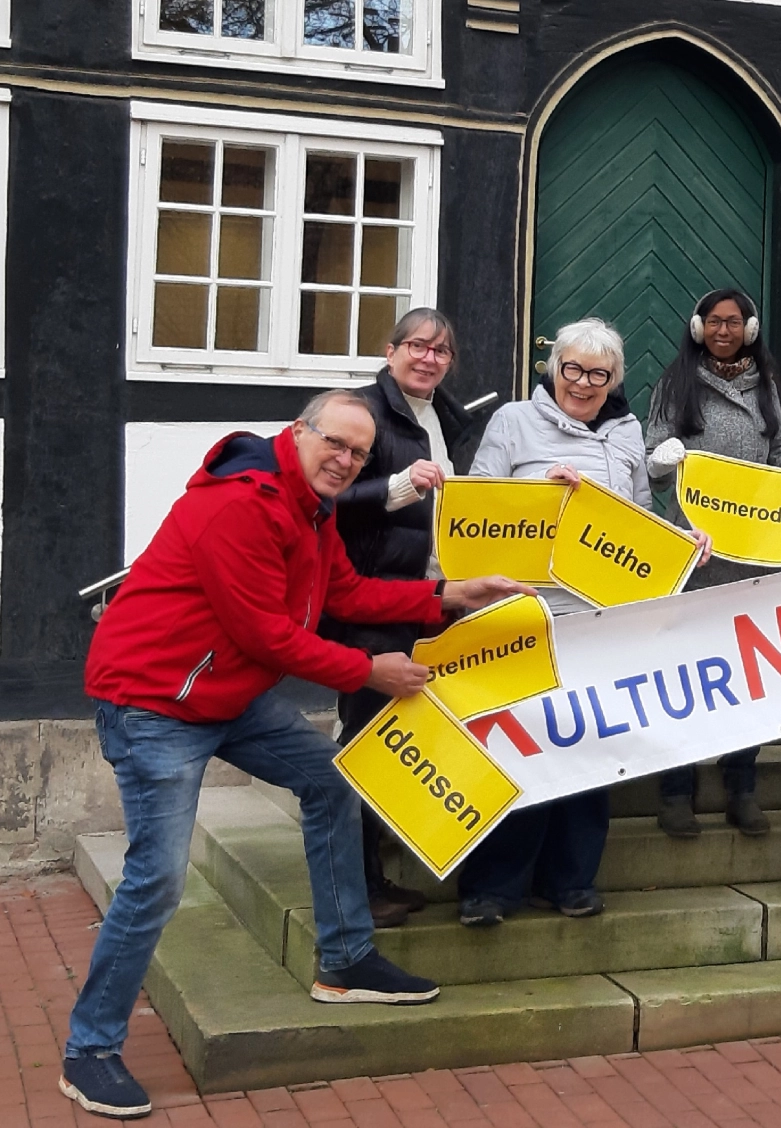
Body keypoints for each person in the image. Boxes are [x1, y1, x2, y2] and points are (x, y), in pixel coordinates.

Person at [62, 391, 527, 1120]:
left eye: (359, 454)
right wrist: (367, 671)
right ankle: (89, 1050)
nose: (345, 461)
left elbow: (344, 591)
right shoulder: (240, 504)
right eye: (334, 443)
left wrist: (447, 595)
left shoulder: (313, 507)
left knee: (332, 782)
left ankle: (345, 963)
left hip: (226, 693)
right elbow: (264, 633)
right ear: (298, 432)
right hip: (155, 699)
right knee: (157, 879)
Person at [454, 318, 712, 926]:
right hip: (526, 611)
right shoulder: (514, 421)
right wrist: (541, 495)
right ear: (554, 370)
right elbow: (478, 503)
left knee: (590, 747)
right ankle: (492, 888)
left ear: (614, 380)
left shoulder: (627, 433)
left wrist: (682, 541)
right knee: (520, 746)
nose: (584, 383)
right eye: (573, 369)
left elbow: (638, 520)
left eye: (599, 374)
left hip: (600, 620)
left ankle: (571, 880)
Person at [645, 289, 781, 840]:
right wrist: (664, 461)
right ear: (698, 327)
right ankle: (677, 790)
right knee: (684, 671)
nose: (723, 331)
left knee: (748, 674)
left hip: (753, 550)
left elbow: (779, 449)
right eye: (714, 321)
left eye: (734, 322)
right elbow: (652, 461)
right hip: (695, 549)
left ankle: (741, 783)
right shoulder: (675, 382)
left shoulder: (764, 384)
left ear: (749, 329)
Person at [325, 308, 478, 928]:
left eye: (441, 351)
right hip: (370, 601)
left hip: (428, 600)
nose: (428, 359)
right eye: (417, 346)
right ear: (389, 352)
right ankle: (355, 889)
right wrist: (399, 485)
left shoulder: (445, 417)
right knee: (365, 741)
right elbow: (328, 497)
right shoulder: (363, 412)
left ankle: (376, 875)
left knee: (400, 738)